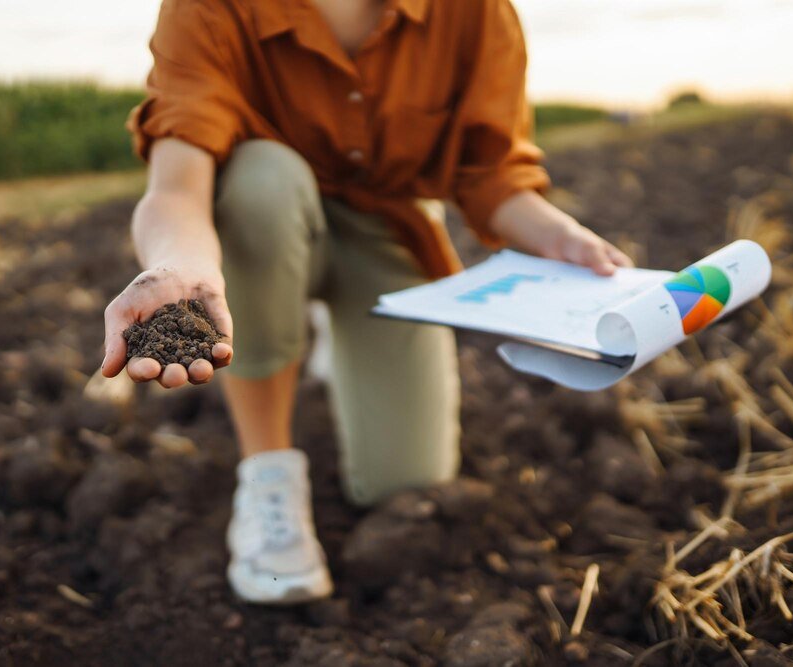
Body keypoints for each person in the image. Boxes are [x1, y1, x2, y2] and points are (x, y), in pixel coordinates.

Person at [102, 0, 633, 605]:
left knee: (406, 482)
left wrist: (563, 238)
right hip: (260, 226)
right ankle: (268, 473)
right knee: (259, 179)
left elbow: (491, 174)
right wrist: (182, 265)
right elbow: (177, 185)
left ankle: (336, 335)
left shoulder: (476, 12)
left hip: (387, 231)